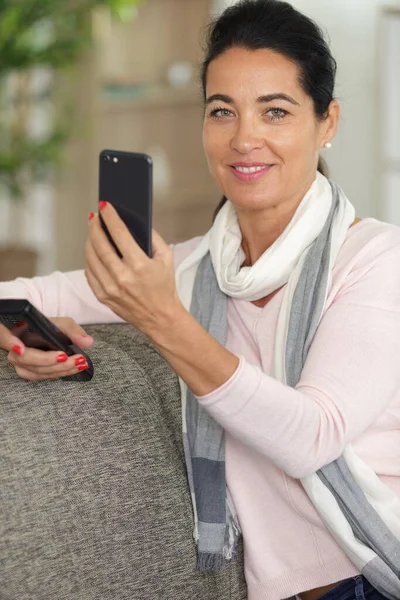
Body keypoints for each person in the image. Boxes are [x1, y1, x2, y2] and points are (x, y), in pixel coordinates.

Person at [1, 0, 399, 599]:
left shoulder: (377, 259)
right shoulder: (189, 267)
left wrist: (162, 317)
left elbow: (311, 436)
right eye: (222, 111)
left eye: (276, 111)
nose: (245, 138)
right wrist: (18, 330)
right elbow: (19, 292)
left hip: (371, 578)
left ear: (328, 122)